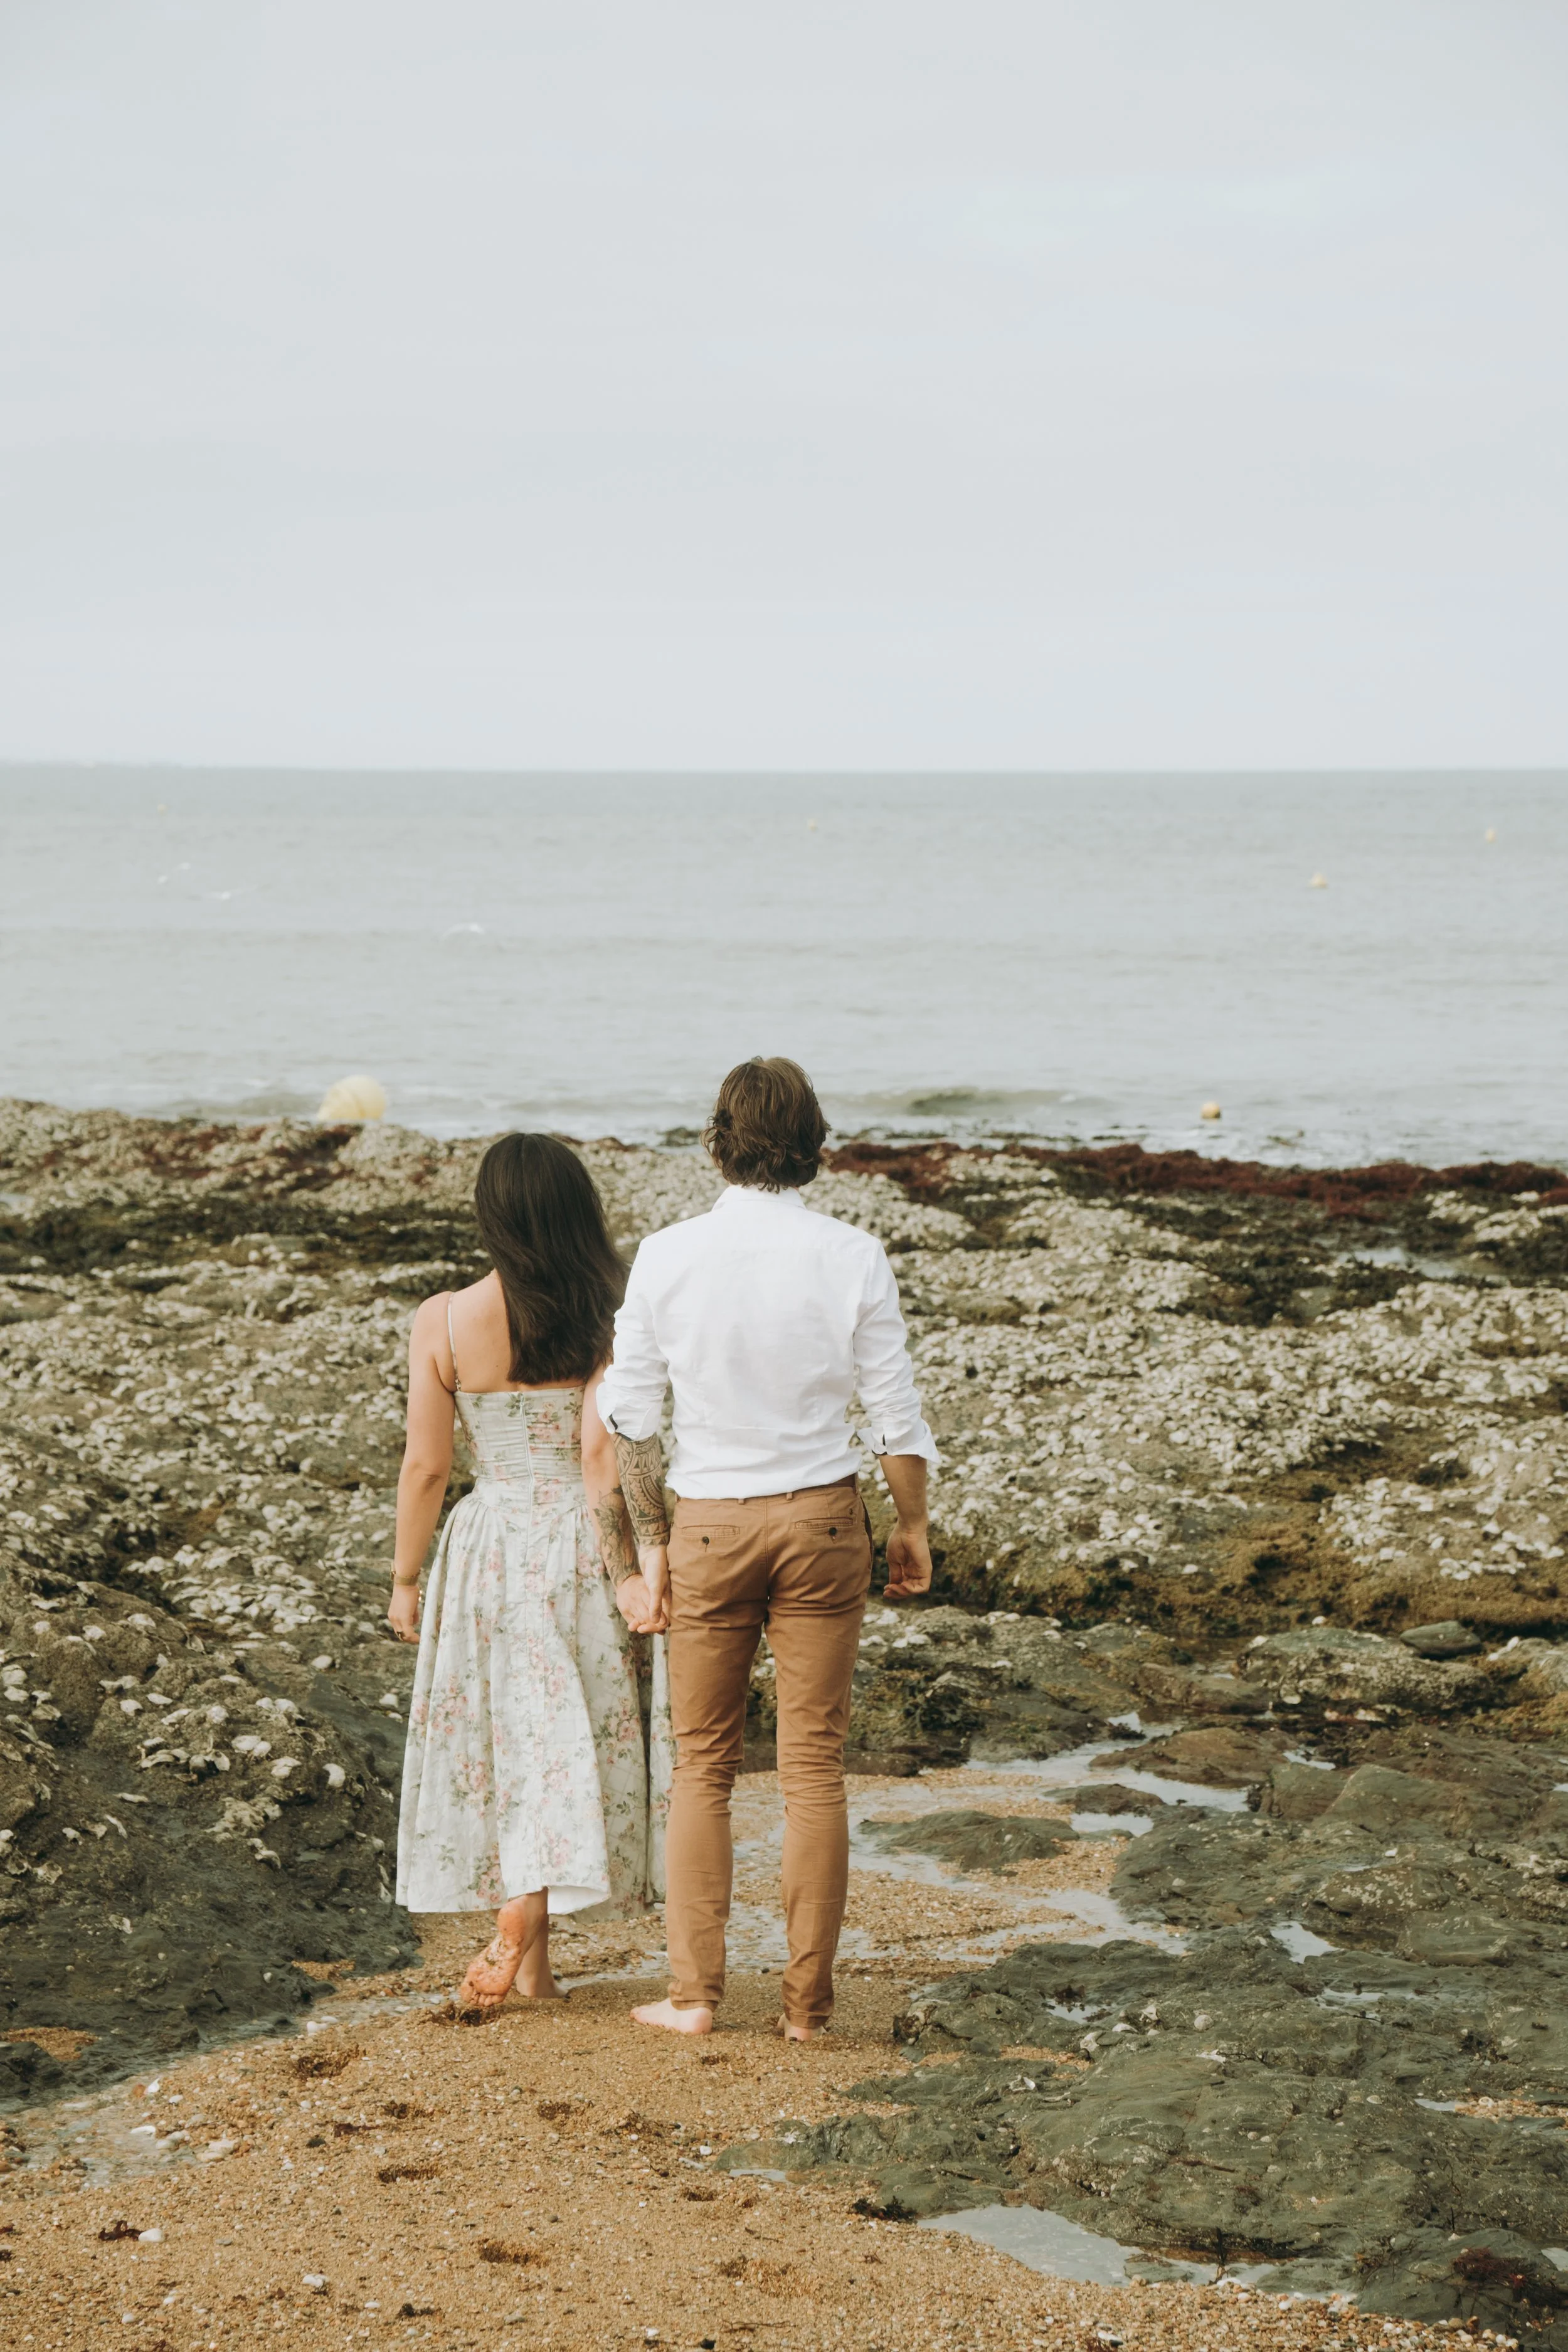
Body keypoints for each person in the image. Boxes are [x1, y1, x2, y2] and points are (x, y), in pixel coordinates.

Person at [597, 1056, 938, 2041]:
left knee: (702, 1767)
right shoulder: (854, 1253)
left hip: (709, 1520)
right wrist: (910, 1525)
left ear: (716, 1140)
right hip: (824, 1519)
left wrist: (651, 1542)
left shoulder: (666, 1255)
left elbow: (630, 1419)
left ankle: (696, 1997)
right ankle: (806, 2009)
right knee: (813, 1769)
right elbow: (896, 1419)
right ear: (815, 1145)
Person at [389, 1132, 671, 2015]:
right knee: (565, 1737)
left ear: (493, 1217)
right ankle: (540, 1964)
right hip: (582, 1541)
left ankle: (524, 1930)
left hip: (486, 1542)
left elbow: (426, 1467)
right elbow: (613, 1448)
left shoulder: (442, 1319)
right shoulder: (610, 1312)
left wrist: (405, 1576)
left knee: (512, 1742)